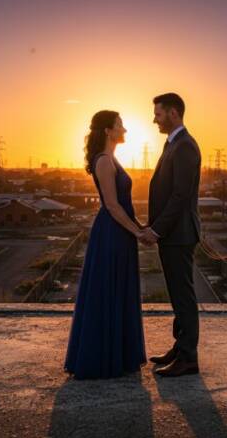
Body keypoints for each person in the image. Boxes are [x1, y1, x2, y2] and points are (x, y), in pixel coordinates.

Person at [64, 110, 147, 379]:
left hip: (119, 232)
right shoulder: (103, 161)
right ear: (108, 131)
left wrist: (139, 227)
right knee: (107, 291)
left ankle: (118, 355)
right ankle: (101, 358)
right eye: (120, 125)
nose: (125, 130)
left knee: (117, 289)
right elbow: (112, 205)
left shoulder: (112, 158)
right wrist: (137, 232)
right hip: (112, 233)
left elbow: (122, 205)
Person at [141, 92, 202, 377]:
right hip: (172, 235)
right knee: (178, 296)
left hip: (179, 235)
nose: (154, 119)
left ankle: (189, 358)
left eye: (158, 113)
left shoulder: (185, 147)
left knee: (183, 296)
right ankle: (180, 348)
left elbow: (180, 196)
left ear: (174, 113)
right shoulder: (173, 144)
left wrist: (156, 229)